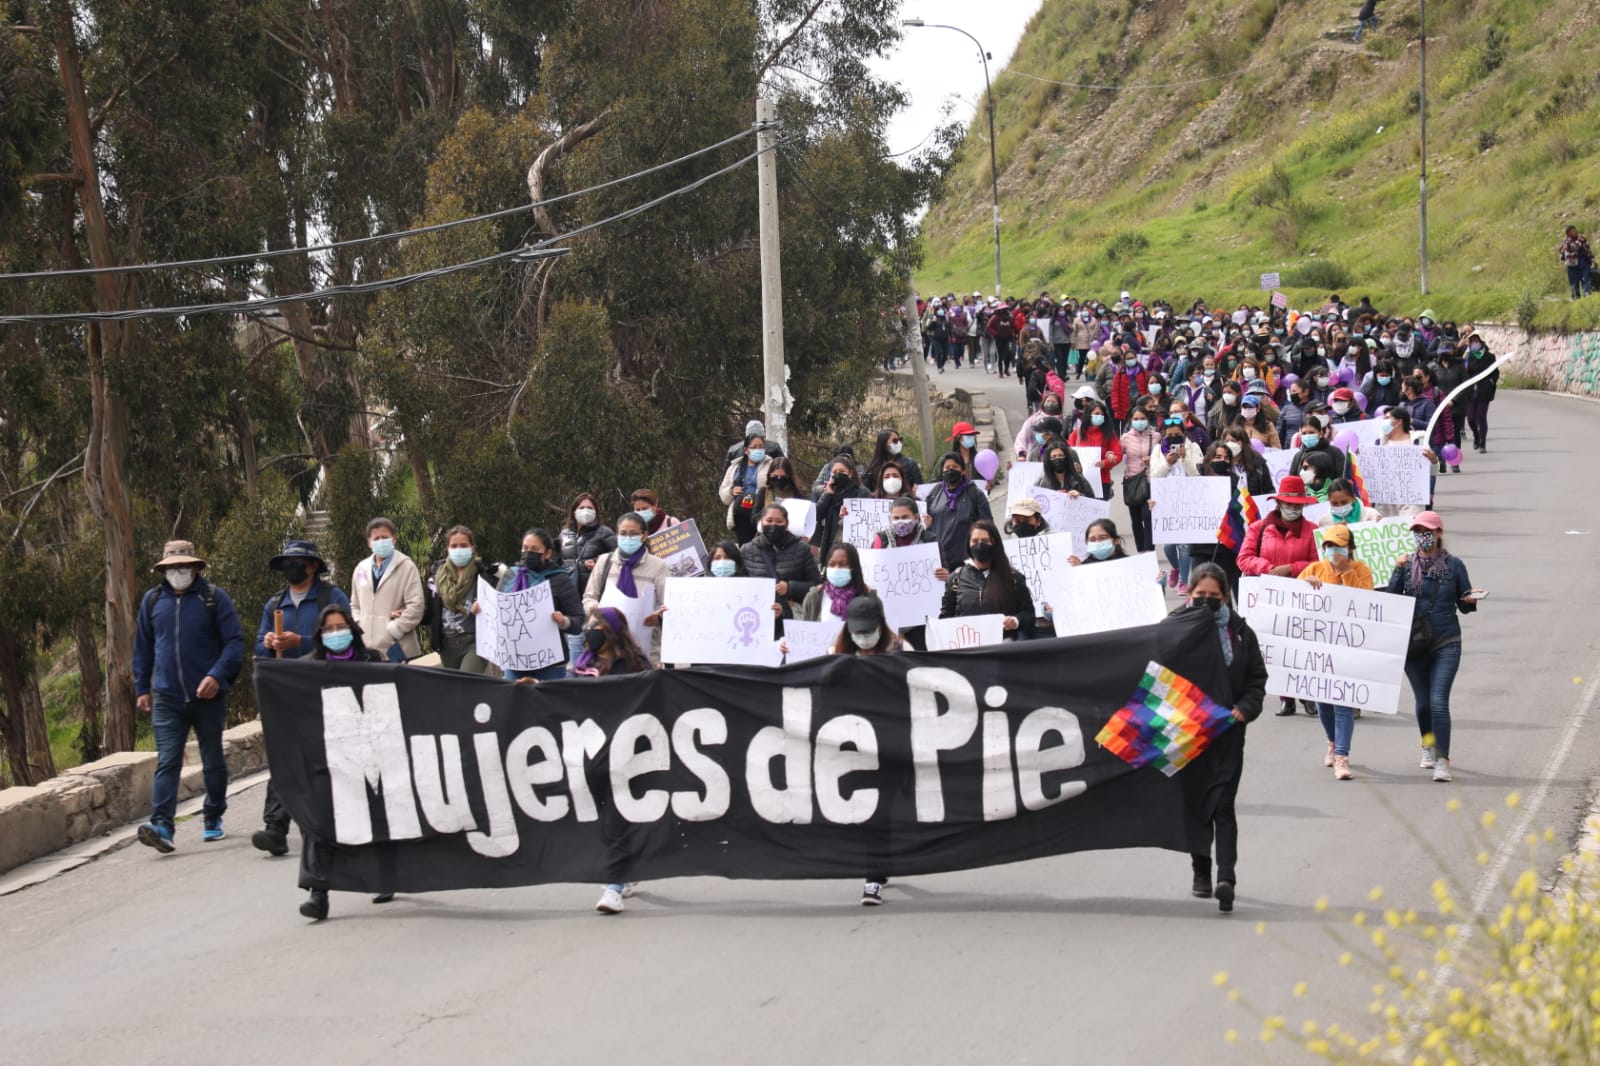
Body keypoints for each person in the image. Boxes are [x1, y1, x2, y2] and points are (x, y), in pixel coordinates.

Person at [132, 541, 245, 854]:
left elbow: (234, 643)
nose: (177, 573)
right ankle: (163, 826)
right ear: (163, 570)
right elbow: (142, 646)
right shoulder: (152, 601)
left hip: (207, 696)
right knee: (167, 760)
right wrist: (142, 687)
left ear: (195, 568)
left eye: (182, 567)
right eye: (171, 568)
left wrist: (216, 675)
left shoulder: (213, 599)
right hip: (166, 697)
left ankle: (213, 816)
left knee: (212, 759)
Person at [1174, 564, 1269, 914]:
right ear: (1188, 594)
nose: (1207, 603)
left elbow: (1257, 679)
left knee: (1223, 805)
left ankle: (1225, 876)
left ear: (1225, 596)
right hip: (1187, 733)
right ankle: (1201, 872)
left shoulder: (1240, 632)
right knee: (1197, 804)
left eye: (1214, 598)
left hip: (1228, 732)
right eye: (1200, 597)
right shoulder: (1173, 628)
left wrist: (1245, 708)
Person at [251, 540, 352, 856]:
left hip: (325, 686)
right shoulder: (274, 605)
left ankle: (343, 823)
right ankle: (275, 827)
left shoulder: (330, 598)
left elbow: (345, 635)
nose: (291, 566)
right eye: (287, 561)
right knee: (285, 756)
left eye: (298, 561)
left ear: (312, 566)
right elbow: (258, 648)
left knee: (330, 758)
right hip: (287, 691)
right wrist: (269, 642)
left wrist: (303, 641)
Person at [297, 605, 390, 921]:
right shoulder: (308, 668)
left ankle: (385, 877)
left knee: (377, 818)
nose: (336, 633)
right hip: (328, 757)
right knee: (319, 823)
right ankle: (318, 892)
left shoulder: (372, 661)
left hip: (369, 754)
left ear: (352, 629)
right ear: (320, 635)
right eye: (329, 628)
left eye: (341, 626)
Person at [1385, 511, 1482, 783]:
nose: (1421, 536)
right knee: (1424, 703)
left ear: (1439, 533)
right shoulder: (1406, 566)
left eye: (1426, 531)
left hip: (1446, 641)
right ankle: (1427, 743)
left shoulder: (1454, 566)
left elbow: (1464, 605)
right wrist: (1396, 569)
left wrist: (1471, 601)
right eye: (1416, 531)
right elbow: (1392, 603)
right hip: (1414, 644)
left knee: (1439, 702)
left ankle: (1442, 758)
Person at [826, 595, 905, 906]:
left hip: (892, 744)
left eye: (867, 631)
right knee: (869, 812)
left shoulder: (900, 651)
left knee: (885, 810)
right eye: (856, 632)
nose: (863, 638)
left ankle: (877, 871)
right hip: (853, 747)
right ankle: (876, 871)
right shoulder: (835, 655)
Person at [575, 607, 655, 915]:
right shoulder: (582, 665)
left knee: (618, 814)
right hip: (593, 752)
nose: (591, 631)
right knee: (605, 815)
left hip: (627, 752)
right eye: (589, 626)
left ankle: (614, 885)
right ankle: (626, 868)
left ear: (613, 631)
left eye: (598, 626)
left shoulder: (635, 665)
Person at [1238, 476, 1322, 717]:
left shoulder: (1312, 530)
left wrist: (1292, 568)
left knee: (1302, 647)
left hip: (1302, 597)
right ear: (1278, 504)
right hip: (1269, 596)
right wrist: (1266, 566)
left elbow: (1319, 563)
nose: (1293, 509)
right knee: (1277, 648)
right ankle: (1286, 698)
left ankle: (1307, 696)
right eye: (1288, 504)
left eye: (1297, 505)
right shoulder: (1260, 528)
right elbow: (1243, 558)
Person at [1296, 525, 1374, 780]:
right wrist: (1306, 583)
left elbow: (1368, 603)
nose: (1334, 551)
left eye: (1339, 546)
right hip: (1319, 649)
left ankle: (1342, 755)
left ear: (1350, 548)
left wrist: (1347, 574)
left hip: (1349, 647)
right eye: (1329, 546)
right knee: (1323, 703)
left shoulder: (1361, 569)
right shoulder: (1316, 569)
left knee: (1343, 703)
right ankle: (1332, 741)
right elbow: (1293, 599)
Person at [582, 512, 669, 665]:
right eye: (623, 534)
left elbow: (668, 605)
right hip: (607, 648)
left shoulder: (659, 567)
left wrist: (660, 616)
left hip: (645, 647)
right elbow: (589, 596)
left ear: (644, 535)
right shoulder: (604, 562)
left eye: (633, 534)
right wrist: (595, 609)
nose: (628, 538)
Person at [497, 528, 584, 681]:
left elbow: (579, 620)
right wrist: (481, 609)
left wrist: (564, 622)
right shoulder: (510, 575)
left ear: (548, 553)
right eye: (525, 548)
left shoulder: (559, 579)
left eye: (535, 549)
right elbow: (496, 609)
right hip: (515, 660)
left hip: (550, 663)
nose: (528, 553)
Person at [939, 520, 1035, 639]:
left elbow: (1029, 614)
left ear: (994, 543)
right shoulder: (956, 578)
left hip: (1004, 647)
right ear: (968, 544)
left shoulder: (1013, 577)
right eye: (974, 541)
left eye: (985, 541)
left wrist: (1015, 621)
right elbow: (945, 617)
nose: (979, 545)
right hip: (969, 649)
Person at [349, 517, 426, 663]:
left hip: (397, 648)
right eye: (376, 538)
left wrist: (395, 628)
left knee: (400, 685)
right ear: (369, 542)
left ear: (394, 539)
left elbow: (416, 605)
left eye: (384, 537)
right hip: (368, 649)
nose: (380, 541)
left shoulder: (406, 567)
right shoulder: (361, 569)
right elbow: (354, 604)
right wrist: (360, 623)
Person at [426, 525, 494, 675]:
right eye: (454, 546)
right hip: (447, 643)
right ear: (447, 548)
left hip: (475, 641)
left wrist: (482, 607)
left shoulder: (483, 573)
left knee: (467, 681)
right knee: (456, 689)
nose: (458, 549)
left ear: (472, 548)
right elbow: (429, 610)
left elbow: (495, 604)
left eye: (463, 545)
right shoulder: (437, 575)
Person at [741, 503, 823, 623]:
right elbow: (740, 585)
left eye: (779, 521)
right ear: (761, 522)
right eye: (769, 520)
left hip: (791, 616)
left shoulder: (802, 549)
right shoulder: (747, 550)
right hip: (757, 617)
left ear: (786, 524)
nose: (773, 525)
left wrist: (790, 588)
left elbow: (816, 586)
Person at [1150, 418, 1204, 594]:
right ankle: (1176, 567)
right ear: (1164, 435)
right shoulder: (1158, 450)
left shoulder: (1193, 447)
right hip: (1167, 504)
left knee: (1185, 545)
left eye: (1177, 434)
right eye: (1170, 435)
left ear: (1183, 433)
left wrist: (1186, 459)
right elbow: (1154, 478)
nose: (1173, 438)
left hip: (1189, 502)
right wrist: (1167, 463)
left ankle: (1184, 581)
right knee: (1168, 546)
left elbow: (1198, 475)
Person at [925, 450, 993, 571]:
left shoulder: (975, 494)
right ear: (942, 471)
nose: (950, 470)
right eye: (947, 467)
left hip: (967, 561)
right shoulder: (934, 494)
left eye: (955, 467)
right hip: (940, 560)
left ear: (962, 470)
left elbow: (988, 526)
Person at [719, 432, 773, 544]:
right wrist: (731, 491)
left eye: (761, 447)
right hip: (740, 516)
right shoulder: (734, 468)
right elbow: (723, 494)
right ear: (746, 450)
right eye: (754, 447)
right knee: (745, 550)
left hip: (763, 514)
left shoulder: (771, 465)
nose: (758, 449)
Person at [812, 454, 870, 559]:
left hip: (855, 545)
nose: (838, 474)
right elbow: (817, 515)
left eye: (842, 472)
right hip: (831, 543)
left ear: (850, 473)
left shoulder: (862, 492)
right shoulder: (830, 493)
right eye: (834, 472)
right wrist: (827, 494)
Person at [1120, 408, 1161, 553]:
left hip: (1150, 480)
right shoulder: (1125, 438)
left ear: (1148, 419)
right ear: (1131, 420)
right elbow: (1118, 455)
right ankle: (1140, 549)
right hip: (1132, 481)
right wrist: (1110, 454)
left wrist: (1154, 459)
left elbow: (1163, 455)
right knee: (1136, 519)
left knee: (1148, 515)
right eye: (1136, 419)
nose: (1139, 422)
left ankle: (1149, 548)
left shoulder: (1156, 436)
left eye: (1142, 418)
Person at [800, 543, 873, 623]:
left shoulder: (867, 597)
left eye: (843, 564)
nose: (836, 568)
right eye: (832, 564)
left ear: (853, 567)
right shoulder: (814, 597)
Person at [1068, 399, 1122, 499]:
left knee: (1099, 512)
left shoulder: (1109, 434)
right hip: (1080, 481)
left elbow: (1118, 455)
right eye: (1097, 413)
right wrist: (1073, 465)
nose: (1100, 416)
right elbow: (1067, 454)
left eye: (1102, 414)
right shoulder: (1077, 434)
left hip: (1102, 481)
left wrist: (1106, 463)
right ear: (1089, 414)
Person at [1459, 330, 1499, 452]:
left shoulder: (1489, 356)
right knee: (1471, 418)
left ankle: (1483, 443)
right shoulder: (1468, 356)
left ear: (1481, 342)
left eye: (1476, 341)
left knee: (1481, 416)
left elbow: (1495, 373)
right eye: (1472, 341)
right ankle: (1476, 435)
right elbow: (1464, 372)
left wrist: (1490, 382)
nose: (1474, 344)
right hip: (1471, 391)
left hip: (1484, 391)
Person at [1558, 225, 1593, 300]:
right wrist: (1580, 240)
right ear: (1568, 234)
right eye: (1572, 231)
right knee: (1574, 284)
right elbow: (1575, 247)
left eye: (1575, 230)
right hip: (1572, 267)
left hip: (1584, 264)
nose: (1575, 232)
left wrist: (1592, 258)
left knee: (1586, 280)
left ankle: (1587, 297)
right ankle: (1576, 299)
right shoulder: (1567, 242)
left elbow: (1587, 249)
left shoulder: (1581, 238)